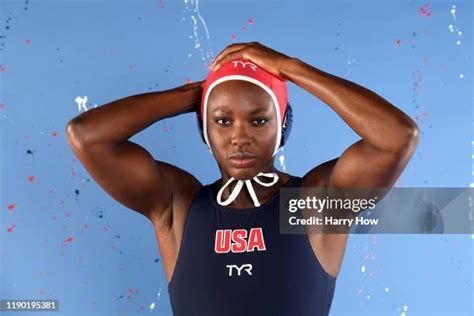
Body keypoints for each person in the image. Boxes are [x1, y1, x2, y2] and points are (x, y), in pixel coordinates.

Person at [65, 42, 419, 316]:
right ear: (204, 127)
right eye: (222, 120)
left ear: (283, 127)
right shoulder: (178, 204)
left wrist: (289, 69)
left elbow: (397, 137)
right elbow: (87, 136)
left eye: (259, 120)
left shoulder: (316, 203)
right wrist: (199, 93)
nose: (239, 137)